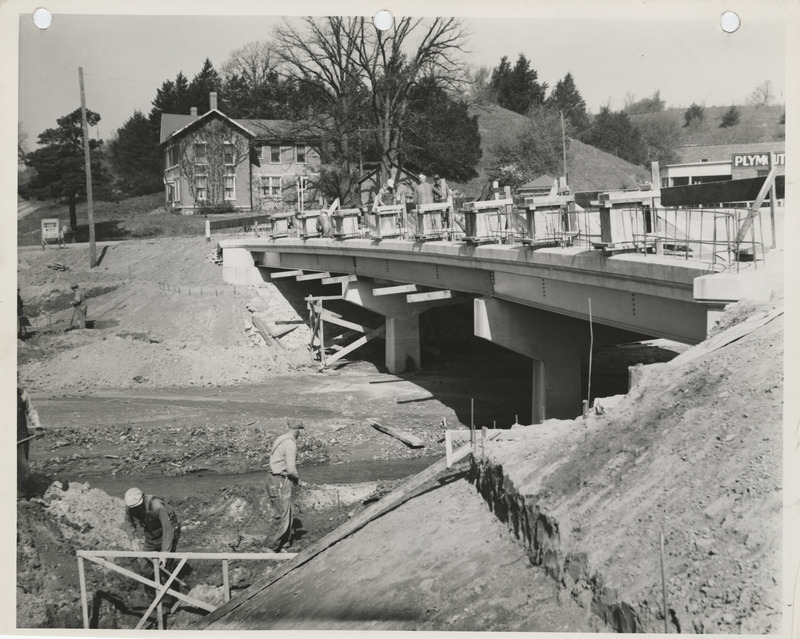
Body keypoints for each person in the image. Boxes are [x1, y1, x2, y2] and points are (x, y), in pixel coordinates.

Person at [123, 488, 181, 581]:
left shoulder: (156, 506)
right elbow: (128, 521)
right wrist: (132, 540)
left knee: (166, 568)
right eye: (132, 508)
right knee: (145, 570)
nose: (135, 509)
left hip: (168, 528)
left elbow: (167, 529)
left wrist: (165, 553)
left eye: (136, 507)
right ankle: (152, 593)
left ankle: (170, 590)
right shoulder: (130, 506)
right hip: (151, 531)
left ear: (142, 499)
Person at [266, 419, 304, 552]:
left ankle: (283, 543)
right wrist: (297, 480)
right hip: (279, 480)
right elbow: (291, 469)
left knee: (288, 512)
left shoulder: (281, 438)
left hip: (277, 478)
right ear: (298, 431)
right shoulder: (290, 444)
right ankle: (269, 546)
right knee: (282, 514)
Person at [17, 385, 43, 499]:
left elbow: (31, 411)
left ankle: (20, 495)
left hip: (20, 436)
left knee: (22, 468)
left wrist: (37, 427)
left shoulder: (22, 394)